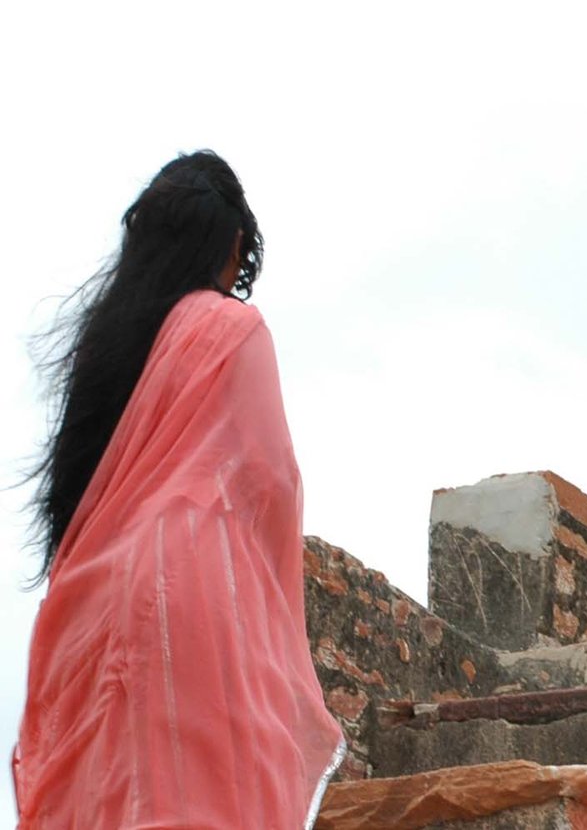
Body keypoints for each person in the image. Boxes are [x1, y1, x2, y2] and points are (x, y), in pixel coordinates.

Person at [14, 152, 345, 826]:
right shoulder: (231, 327)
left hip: (92, 602)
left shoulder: (108, 345)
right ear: (233, 242)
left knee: (113, 802)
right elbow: (270, 478)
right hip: (191, 579)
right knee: (200, 801)